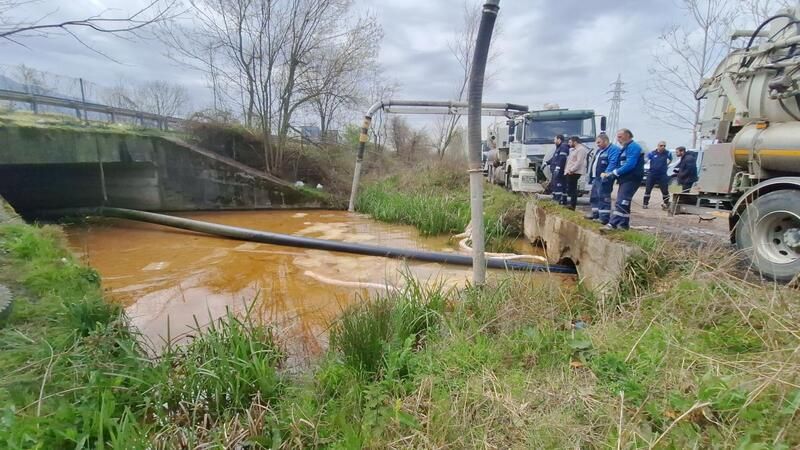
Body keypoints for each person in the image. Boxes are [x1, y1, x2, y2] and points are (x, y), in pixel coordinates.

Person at [601, 128, 645, 230]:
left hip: (632, 178)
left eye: (620, 137)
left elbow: (630, 164)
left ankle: (613, 224)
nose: (618, 139)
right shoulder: (624, 148)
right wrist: (609, 173)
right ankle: (624, 224)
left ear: (628, 136)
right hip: (624, 178)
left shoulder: (634, 147)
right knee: (625, 201)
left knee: (622, 201)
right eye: (617, 137)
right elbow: (618, 163)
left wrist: (615, 173)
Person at [585, 133, 620, 224]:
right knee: (594, 196)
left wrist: (606, 173)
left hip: (605, 178)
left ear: (606, 141)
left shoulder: (613, 150)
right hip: (596, 177)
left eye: (599, 142)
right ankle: (595, 214)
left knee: (603, 197)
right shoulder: (599, 151)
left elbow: (613, 162)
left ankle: (604, 218)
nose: (598, 144)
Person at [643, 141, 673, 210]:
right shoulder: (652, 153)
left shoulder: (668, 153)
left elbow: (670, 160)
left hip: (662, 175)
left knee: (665, 190)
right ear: (658, 146)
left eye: (664, 146)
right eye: (661, 145)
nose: (663, 147)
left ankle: (666, 204)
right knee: (648, 189)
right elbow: (646, 160)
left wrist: (666, 165)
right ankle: (645, 204)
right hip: (652, 174)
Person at [564, 136, 589, 210]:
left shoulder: (581, 149)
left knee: (573, 189)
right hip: (571, 171)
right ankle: (571, 204)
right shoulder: (574, 150)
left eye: (570, 142)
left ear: (575, 142)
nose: (569, 144)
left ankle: (572, 205)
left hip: (574, 172)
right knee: (571, 188)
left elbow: (579, 162)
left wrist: (572, 170)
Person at [546, 134, 571, 204]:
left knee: (558, 186)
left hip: (560, 172)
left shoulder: (563, 147)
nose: (554, 141)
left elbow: (562, 159)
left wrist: (558, 167)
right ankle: (556, 200)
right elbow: (554, 159)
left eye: (555, 139)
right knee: (555, 186)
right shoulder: (558, 148)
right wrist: (547, 163)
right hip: (556, 171)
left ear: (559, 140)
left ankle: (558, 201)